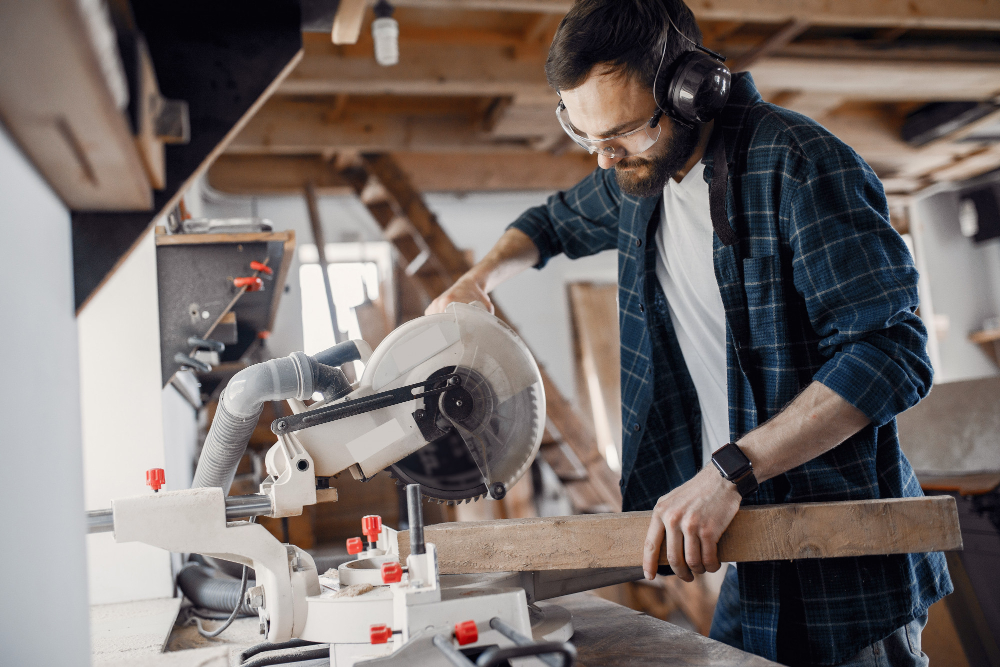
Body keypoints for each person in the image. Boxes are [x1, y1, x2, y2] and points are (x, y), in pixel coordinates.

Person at [425, 0, 952, 664]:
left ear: (691, 89)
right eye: (586, 137)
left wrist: (729, 471)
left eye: (620, 133)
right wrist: (481, 278)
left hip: (839, 561)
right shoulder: (637, 178)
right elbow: (550, 223)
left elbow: (891, 349)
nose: (603, 158)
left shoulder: (798, 163)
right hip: (752, 547)